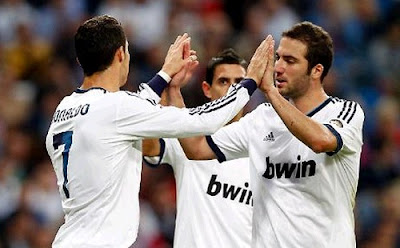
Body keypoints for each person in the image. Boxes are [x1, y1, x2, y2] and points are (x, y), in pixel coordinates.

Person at [44, 15, 274, 248]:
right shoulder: (116, 108)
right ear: (120, 55)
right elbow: (203, 121)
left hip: (68, 239)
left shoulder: (65, 108)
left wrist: (164, 75)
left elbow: (130, 110)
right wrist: (250, 82)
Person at [179, 21, 365, 247]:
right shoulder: (262, 118)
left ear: (316, 70)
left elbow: (320, 141)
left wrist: (270, 92)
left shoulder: (345, 112)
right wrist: (172, 89)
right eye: (278, 58)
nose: (278, 67)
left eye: (290, 61)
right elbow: (196, 148)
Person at [142, 48, 252, 247]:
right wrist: (169, 87)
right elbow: (148, 146)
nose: (233, 90)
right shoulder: (189, 136)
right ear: (207, 89)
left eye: (239, 83)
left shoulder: (262, 141)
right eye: (224, 81)